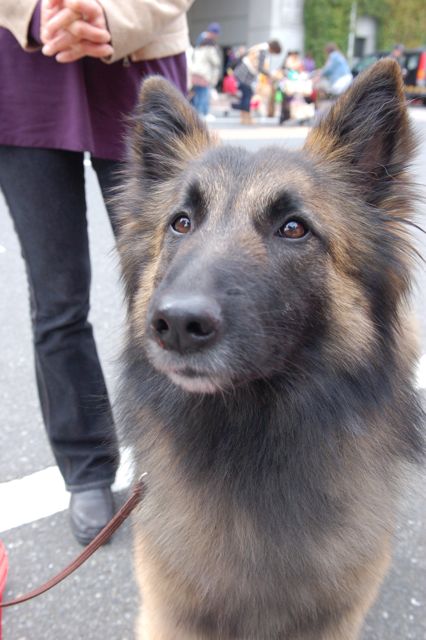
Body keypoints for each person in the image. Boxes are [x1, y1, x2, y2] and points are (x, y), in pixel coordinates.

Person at [0, 0, 193, 546]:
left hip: (139, 59)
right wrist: (34, 16)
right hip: (24, 69)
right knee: (57, 300)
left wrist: (112, 17)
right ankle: (86, 470)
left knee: (178, 286)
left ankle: (189, 460)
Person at [232, 39, 282, 124]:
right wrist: (270, 74)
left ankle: (244, 118)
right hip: (246, 74)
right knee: (247, 95)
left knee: (245, 95)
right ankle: (247, 118)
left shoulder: (260, 46)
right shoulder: (263, 51)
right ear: (273, 49)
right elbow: (260, 68)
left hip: (242, 70)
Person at [189, 23, 222, 119]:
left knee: (197, 93)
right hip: (203, 73)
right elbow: (215, 61)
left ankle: (196, 114)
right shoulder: (210, 44)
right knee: (203, 93)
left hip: (195, 71)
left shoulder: (200, 41)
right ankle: (203, 113)